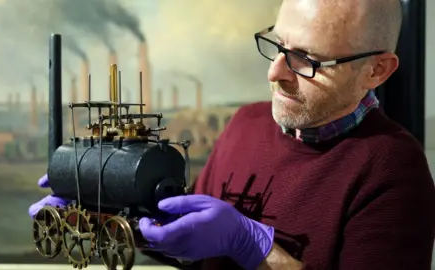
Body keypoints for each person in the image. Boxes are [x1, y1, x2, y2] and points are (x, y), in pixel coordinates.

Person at [29, 0, 435, 269]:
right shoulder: (245, 124)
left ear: (376, 70)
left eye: (307, 60)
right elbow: (189, 248)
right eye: (278, 45)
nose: (275, 72)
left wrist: (253, 246)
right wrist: (123, 212)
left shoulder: (393, 169)